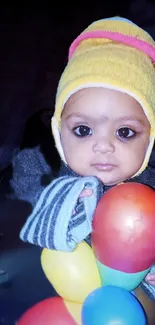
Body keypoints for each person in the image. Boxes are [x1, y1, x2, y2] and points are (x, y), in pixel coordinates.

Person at [19, 17, 155, 301]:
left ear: (150, 138)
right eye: (83, 130)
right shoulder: (57, 191)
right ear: (59, 133)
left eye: (125, 132)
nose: (103, 146)